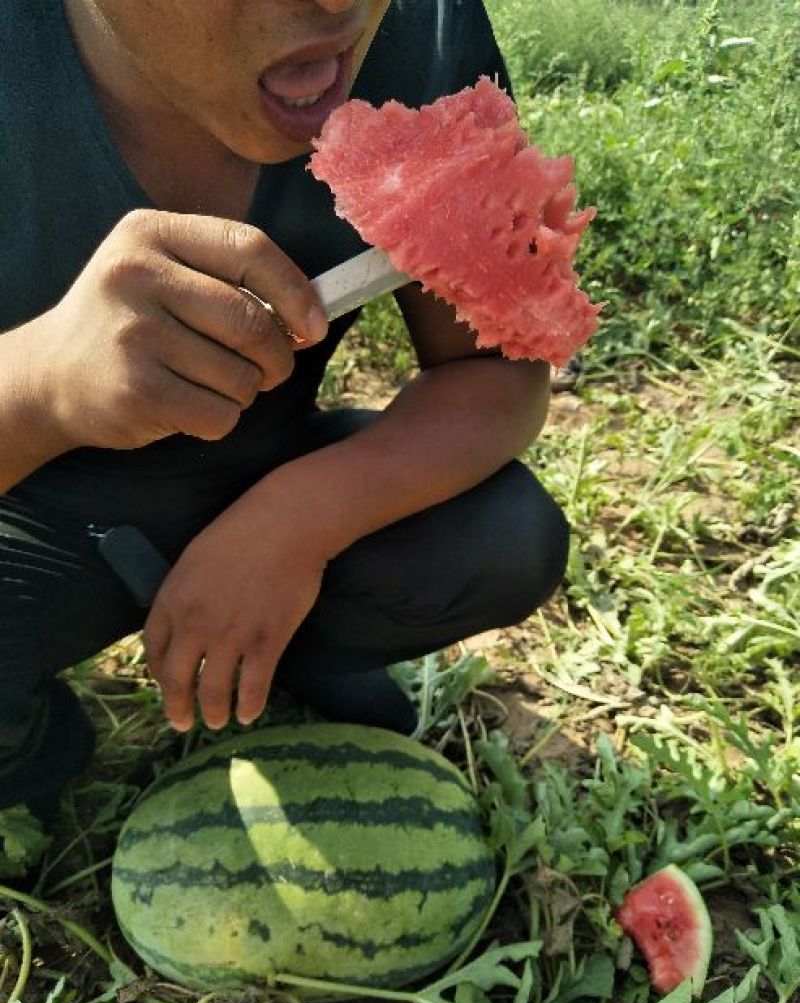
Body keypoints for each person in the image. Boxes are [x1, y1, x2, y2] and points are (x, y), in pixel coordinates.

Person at [0, 0, 570, 828]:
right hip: (26, 516)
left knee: (499, 539)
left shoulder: (423, 29)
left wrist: (289, 526)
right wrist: (42, 382)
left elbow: (495, 372)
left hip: (262, 473)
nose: (337, 3)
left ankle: (291, 648)